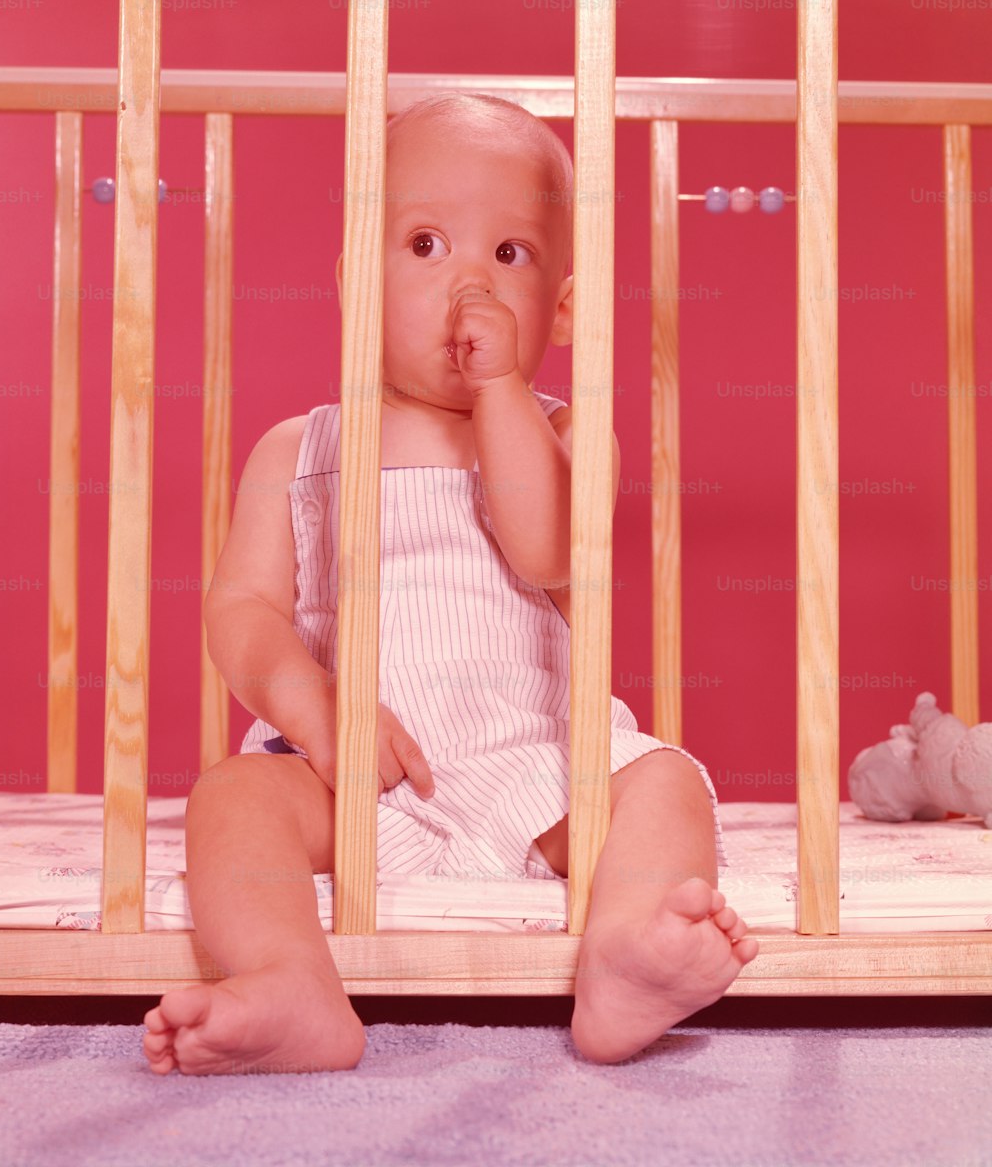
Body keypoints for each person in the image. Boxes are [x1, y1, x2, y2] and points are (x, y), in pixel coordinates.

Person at [142, 93, 759, 1076]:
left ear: (559, 308)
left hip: (542, 762)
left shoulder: (559, 434)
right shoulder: (298, 450)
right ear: (356, 283)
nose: (467, 282)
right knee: (229, 801)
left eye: (508, 256)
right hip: (357, 775)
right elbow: (243, 611)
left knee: (664, 781)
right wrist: (312, 704)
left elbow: (546, 550)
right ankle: (288, 983)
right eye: (425, 243)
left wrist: (503, 394)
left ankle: (625, 953)